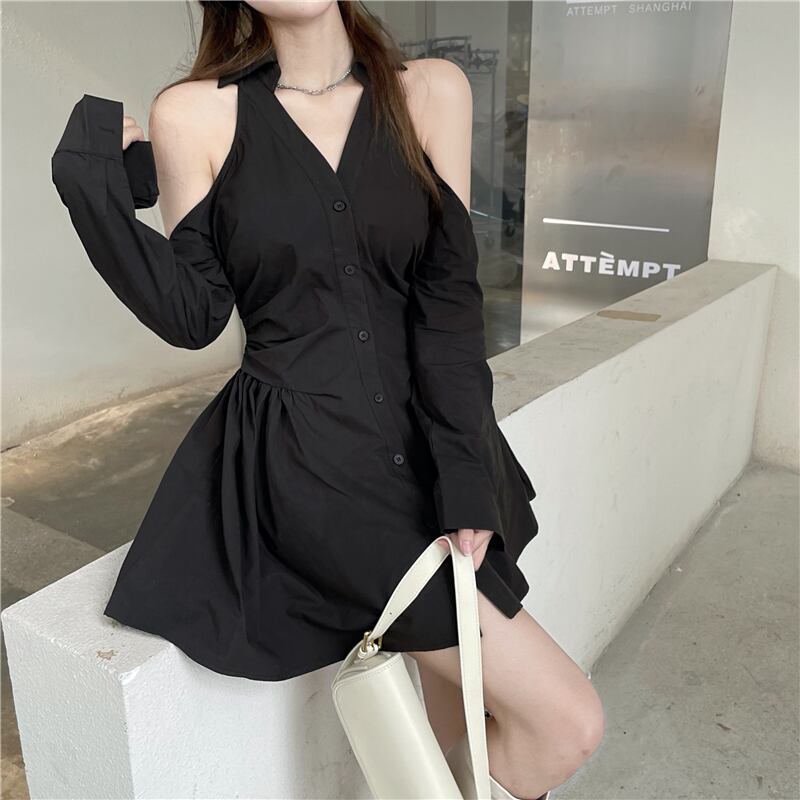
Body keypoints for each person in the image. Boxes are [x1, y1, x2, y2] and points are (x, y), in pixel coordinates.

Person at [50, 1, 604, 797]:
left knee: (456, 728)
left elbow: (448, 304)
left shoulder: (432, 93)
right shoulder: (194, 115)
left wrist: (463, 471)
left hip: (438, 449)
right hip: (310, 465)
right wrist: (95, 190)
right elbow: (192, 316)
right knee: (567, 723)